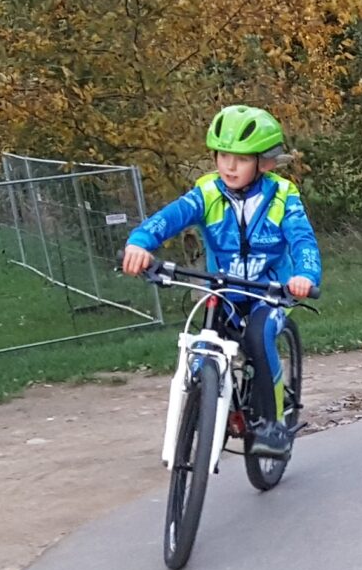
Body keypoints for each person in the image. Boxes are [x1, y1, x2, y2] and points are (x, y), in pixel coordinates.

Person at [119, 104, 322, 457]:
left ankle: (272, 422)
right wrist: (140, 243)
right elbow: (170, 218)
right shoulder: (208, 192)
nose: (229, 166)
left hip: (269, 293)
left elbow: (302, 240)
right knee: (204, 347)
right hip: (222, 291)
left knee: (259, 338)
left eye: (241, 159)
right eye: (223, 156)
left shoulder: (283, 195)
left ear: (264, 162)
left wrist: (305, 275)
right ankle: (206, 404)